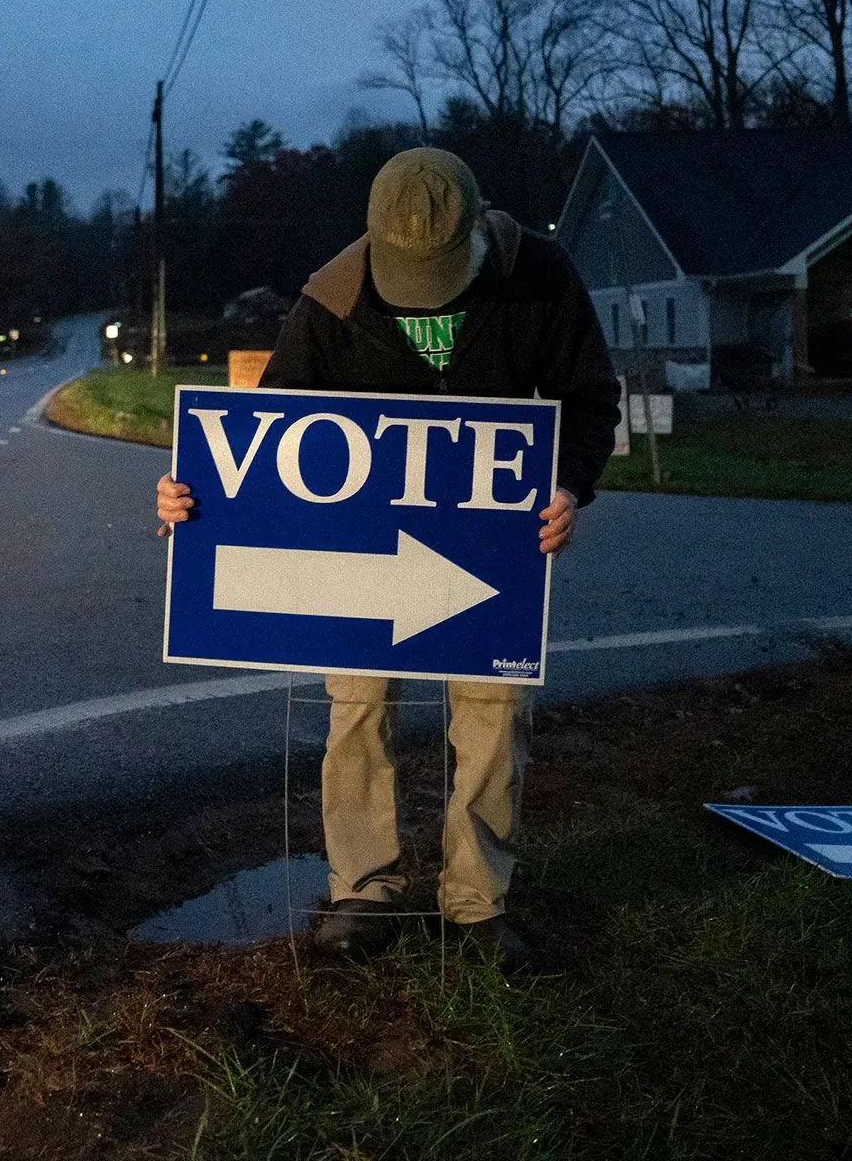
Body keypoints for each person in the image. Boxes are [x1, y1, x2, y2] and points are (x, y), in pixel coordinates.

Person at [154, 147, 618, 968]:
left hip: (492, 545)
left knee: (494, 713)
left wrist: (568, 487)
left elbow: (588, 400)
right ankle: (361, 890)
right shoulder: (330, 299)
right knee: (357, 710)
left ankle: (477, 905)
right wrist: (198, 505)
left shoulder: (541, 276)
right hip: (360, 553)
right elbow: (265, 442)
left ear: (480, 231)